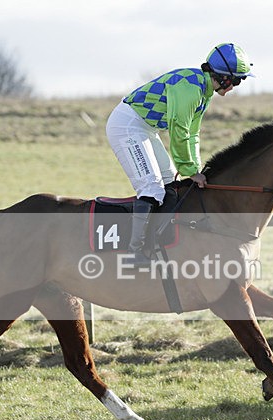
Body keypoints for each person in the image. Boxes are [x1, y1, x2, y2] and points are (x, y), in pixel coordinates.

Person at [105, 42, 254, 267]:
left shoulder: (204, 91)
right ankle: (134, 254)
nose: (235, 86)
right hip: (127, 125)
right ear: (223, 77)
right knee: (151, 186)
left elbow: (193, 134)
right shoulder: (191, 89)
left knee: (170, 181)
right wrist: (190, 170)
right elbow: (179, 130)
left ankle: (157, 243)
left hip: (144, 127)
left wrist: (196, 168)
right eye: (236, 80)